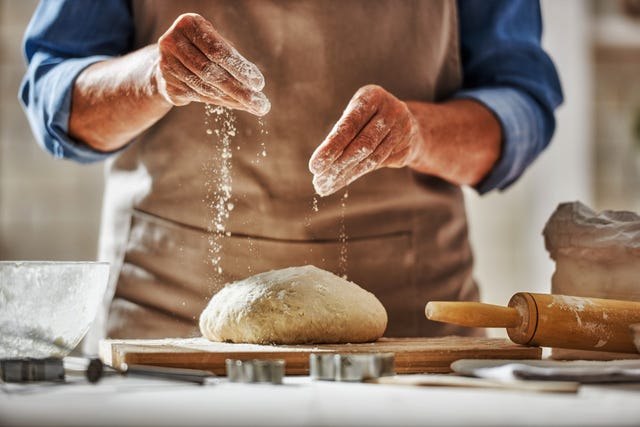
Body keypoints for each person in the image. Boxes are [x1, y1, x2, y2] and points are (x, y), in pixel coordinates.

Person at [20, 0, 562, 349]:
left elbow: (521, 107)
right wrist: (151, 79)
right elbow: (54, 91)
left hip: (407, 328)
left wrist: (419, 132)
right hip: (167, 321)